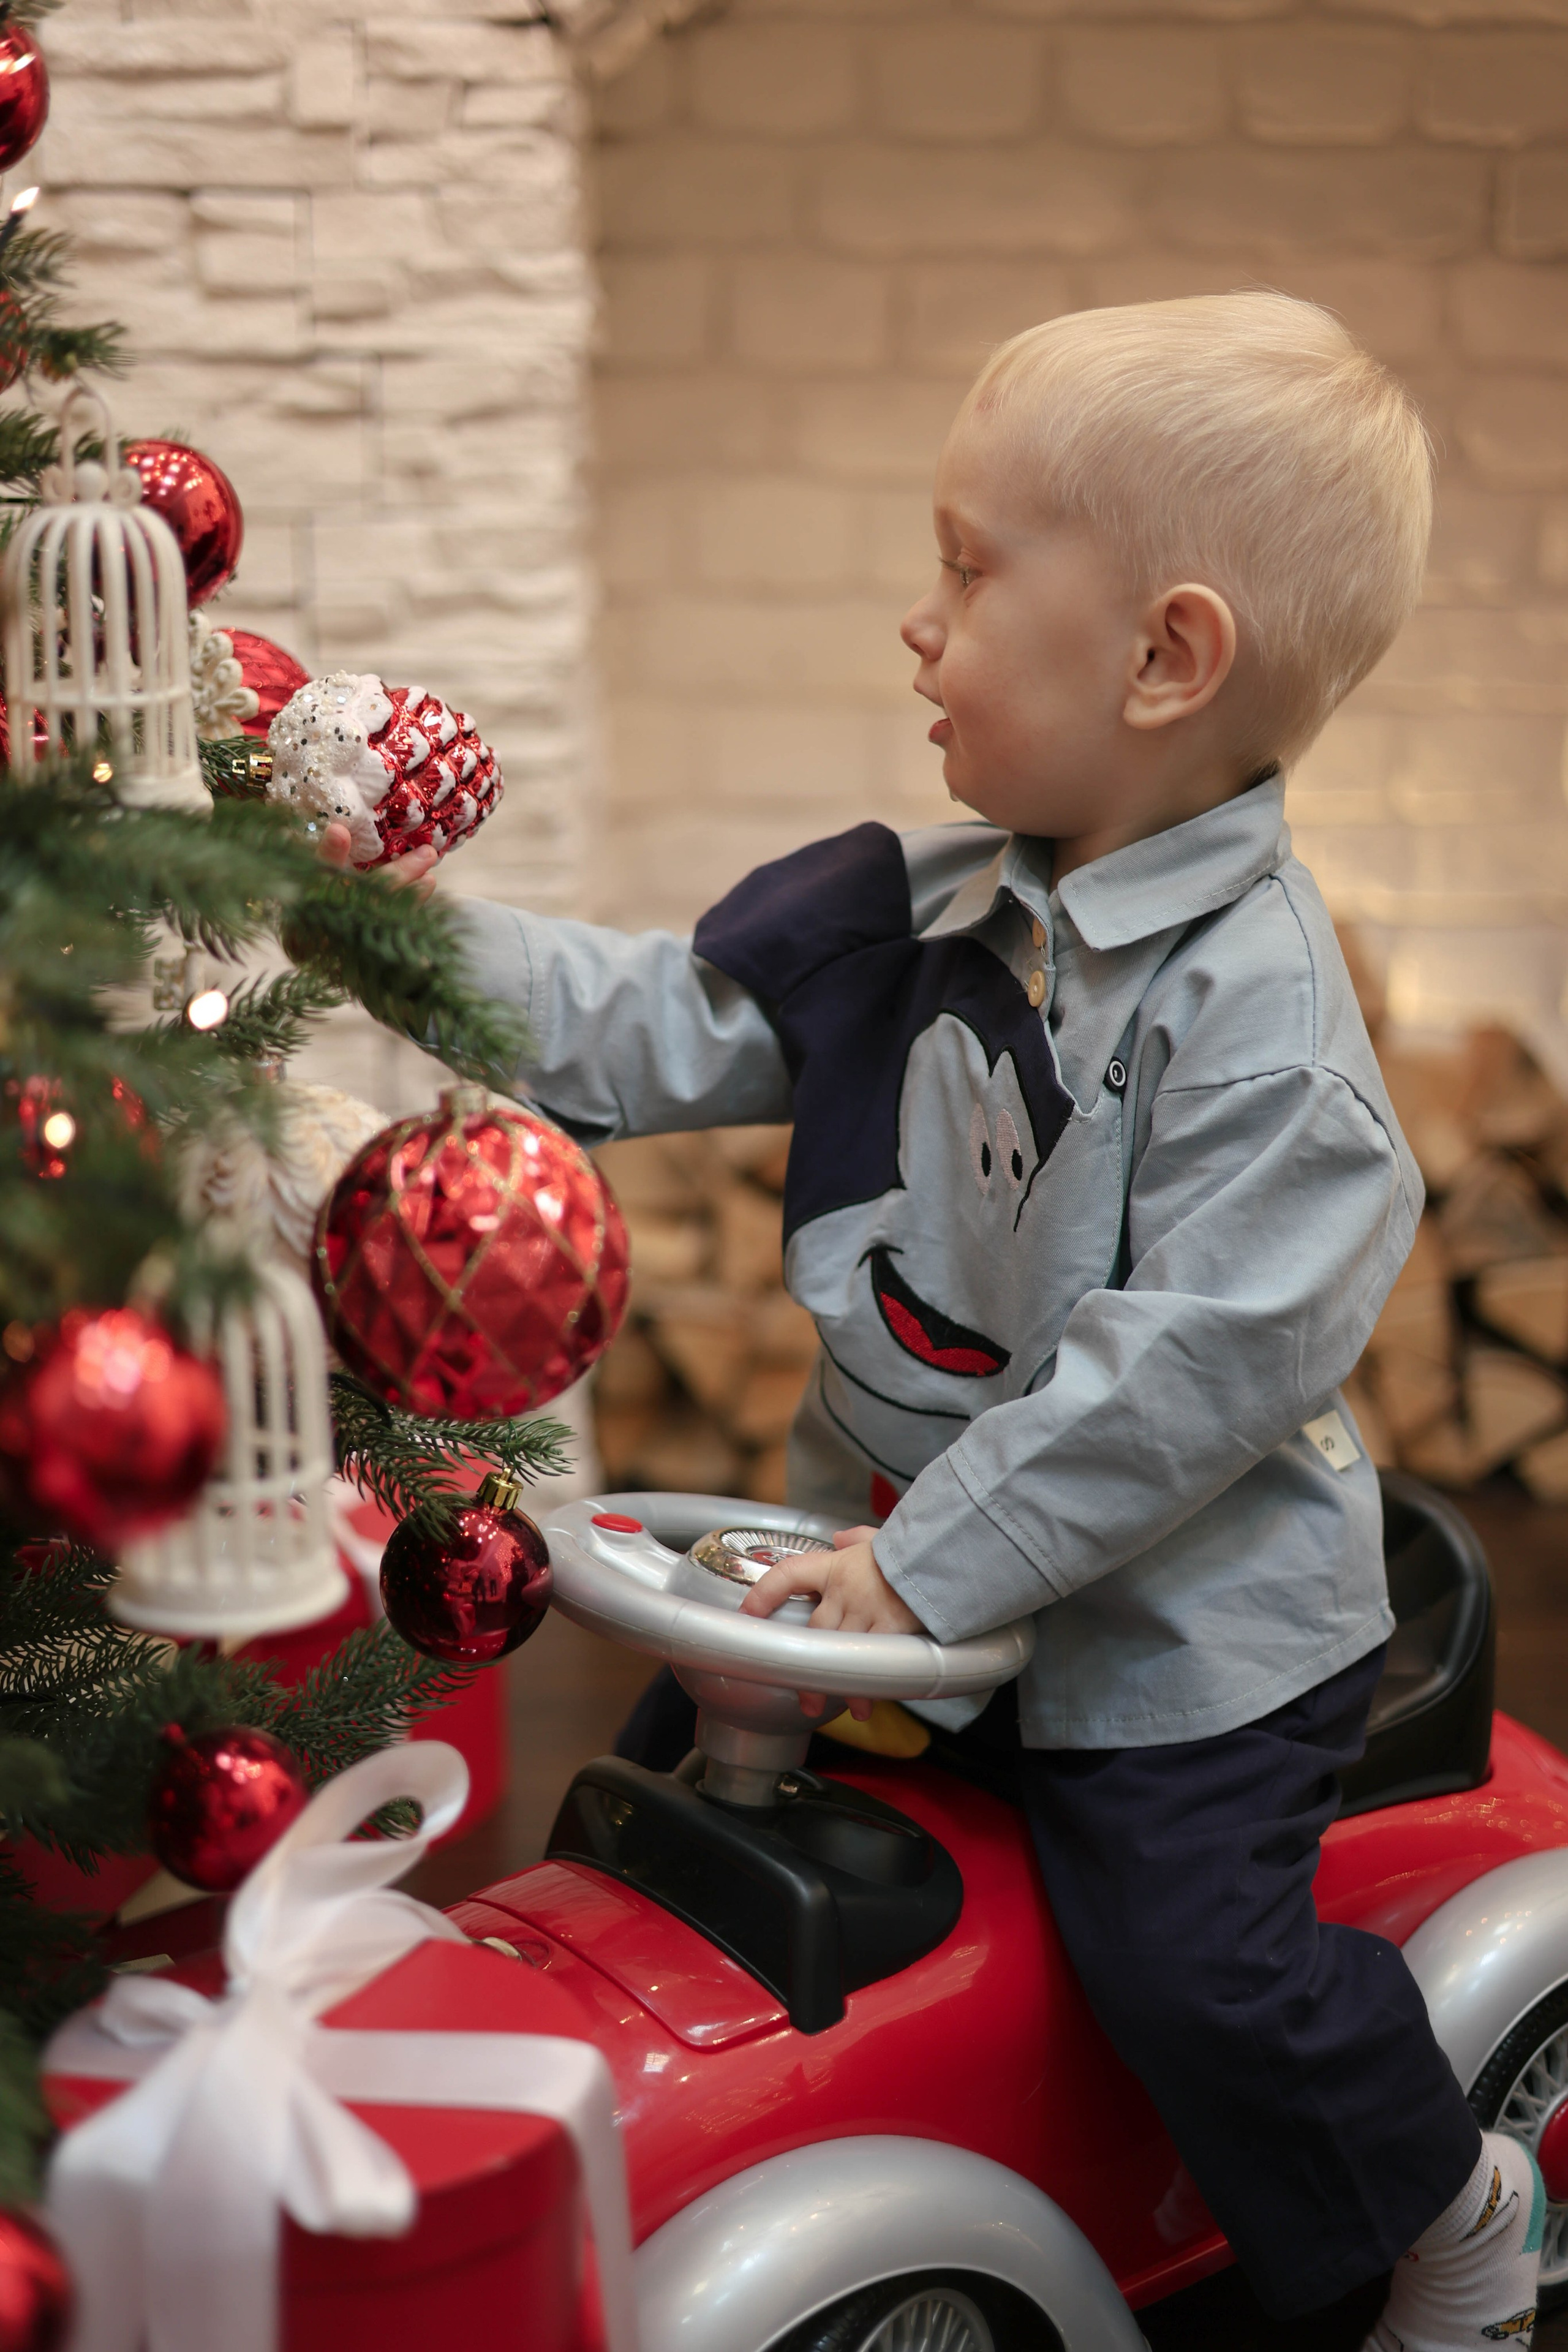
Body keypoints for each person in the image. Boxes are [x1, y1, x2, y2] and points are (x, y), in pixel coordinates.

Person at [330, 293, 1543, 2350]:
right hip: (895, 1584)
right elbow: (652, 1020)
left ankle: (1453, 2209)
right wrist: (383, 933)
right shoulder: (923, 907)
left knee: (1195, 1965)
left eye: (971, 574)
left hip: (1177, 1648)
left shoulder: (1270, 1040)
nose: (920, 624)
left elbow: (1198, 1367)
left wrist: (926, 1566)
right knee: (660, 1812)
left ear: (1163, 658)